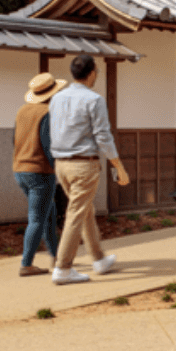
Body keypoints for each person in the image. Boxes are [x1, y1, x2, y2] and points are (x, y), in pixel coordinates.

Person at [48, 54, 130, 285]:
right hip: (84, 164)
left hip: (61, 164)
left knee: (84, 211)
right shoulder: (94, 100)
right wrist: (119, 166)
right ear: (92, 73)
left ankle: (99, 259)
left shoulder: (56, 98)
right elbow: (103, 136)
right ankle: (63, 268)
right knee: (77, 213)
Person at [13, 72, 68, 276]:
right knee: (37, 219)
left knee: (48, 213)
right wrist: (59, 170)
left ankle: (57, 257)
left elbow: (14, 139)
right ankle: (26, 264)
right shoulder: (48, 113)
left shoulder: (22, 111)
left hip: (20, 170)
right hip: (40, 172)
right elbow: (48, 145)